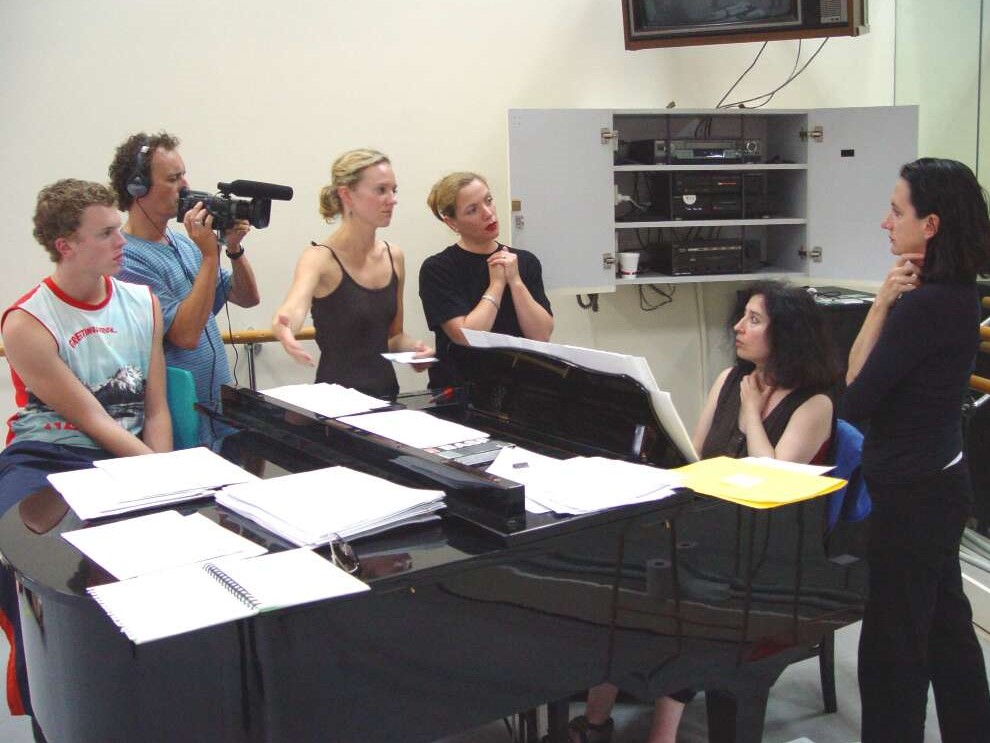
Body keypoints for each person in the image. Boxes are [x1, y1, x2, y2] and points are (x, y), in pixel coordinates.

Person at [571, 280, 838, 743]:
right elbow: (694, 456)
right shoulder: (729, 380)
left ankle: (662, 732)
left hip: (763, 549)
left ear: (787, 334)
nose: (737, 327)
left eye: (753, 320)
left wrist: (752, 414)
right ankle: (594, 720)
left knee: (686, 602)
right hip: (709, 527)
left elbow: (772, 487)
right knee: (619, 576)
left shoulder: (815, 405)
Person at [0, 179, 170, 736]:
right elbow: (91, 420)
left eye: (119, 226)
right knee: (32, 565)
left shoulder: (141, 300)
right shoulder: (27, 321)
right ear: (64, 244)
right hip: (46, 457)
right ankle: (45, 692)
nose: (122, 239)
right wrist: (156, 471)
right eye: (105, 232)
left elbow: (156, 407)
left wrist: (164, 474)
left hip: (125, 454)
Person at [843, 158, 990, 743]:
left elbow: (854, 397)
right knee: (947, 629)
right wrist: (885, 300)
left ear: (930, 224)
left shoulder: (925, 306)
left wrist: (881, 306)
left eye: (896, 212)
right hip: (937, 486)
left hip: (909, 496)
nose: (885, 222)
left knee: (891, 649)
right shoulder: (952, 294)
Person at [108, 131, 260, 445]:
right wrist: (209, 255)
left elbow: (246, 298)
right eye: (173, 178)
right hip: (177, 416)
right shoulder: (126, 260)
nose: (186, 186)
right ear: (139, 187)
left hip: (217, 409)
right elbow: (185, 335)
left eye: (184, 174)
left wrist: (233, 249)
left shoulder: (182, 243)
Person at [272, 149, 432, 399]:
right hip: (337, 403)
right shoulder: (319, 258)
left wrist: (414, 350)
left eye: (394, 190)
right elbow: (294, 307)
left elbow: (394, 336)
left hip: (386, 397)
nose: (392, 199)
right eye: (381, 190)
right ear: (347, 195)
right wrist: (284, 325)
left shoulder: (395, 256)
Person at [419, 172, 554, 387]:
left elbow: (541, 335)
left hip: (520, 388)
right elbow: (467, 338)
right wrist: (497, 285)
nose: (488, 213)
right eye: (472, 210)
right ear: (451, 222)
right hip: (461, 391)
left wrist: (515, 281)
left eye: (488, 201)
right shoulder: (438, 269)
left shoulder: (525, 261)